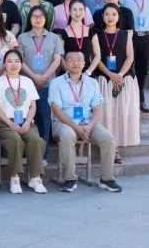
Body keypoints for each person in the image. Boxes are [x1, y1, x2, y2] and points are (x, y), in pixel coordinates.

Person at [48, 50, 122, 193]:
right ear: (65, 63)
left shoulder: (92, 83)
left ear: (84, 64)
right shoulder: (56, 83)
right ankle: (70, 179)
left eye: (78, 60)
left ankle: (107, 179)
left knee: (108, 138)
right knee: (67, 135)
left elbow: (97, 110)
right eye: (71, 59)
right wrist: (76, 128)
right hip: (65, 123)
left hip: (88, 123)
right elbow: (57, 111)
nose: (75, 63)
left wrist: (89, 126)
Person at [0, 50, 46, 194]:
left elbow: (33, 106)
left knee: (35, 139)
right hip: (3, 122)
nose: (13, 65)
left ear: (21, 64)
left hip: (26, 121)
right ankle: (15, 178)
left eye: (16, 61)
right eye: (9, 61)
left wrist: (27, 122)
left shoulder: (27, 81)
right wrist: (10, 123)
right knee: (15, 139)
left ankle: (35, 178)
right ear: (4, 64)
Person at [95, 3, 140, 164]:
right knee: (106, 114)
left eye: (114, 14)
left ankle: (117, 148)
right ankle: (108, 147)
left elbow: (130, 57)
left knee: (121, 113)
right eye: (107, 14)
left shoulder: (125, 34)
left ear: (119, 17)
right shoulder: (97, 35)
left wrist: (119, 75)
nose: (110, 17)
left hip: (124, 79)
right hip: (104, 79)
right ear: (102, 17)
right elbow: (96, 58)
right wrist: (110, 75)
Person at [17, 6, 63, 163]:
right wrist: (33, 76)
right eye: (34, 16)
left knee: (44, 121)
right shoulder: (22, 37)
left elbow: (57, 60)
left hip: (47, 85)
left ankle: (42, 156)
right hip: (26, 85)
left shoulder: (54, 38)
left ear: (46, 19)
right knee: (27, 121)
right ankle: (26, 154)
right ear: (29, 19)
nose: (38, 19)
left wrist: (44, 77)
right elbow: (19, 60)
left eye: (41, 16)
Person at [119, 0, 149, 113]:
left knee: (143, 70)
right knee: (127, 68)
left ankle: (141, 100)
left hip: (145, 37)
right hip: (129, 37)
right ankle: (126, 100)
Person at [58, 0, 101, 74]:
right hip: (67, 74)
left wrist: (88, 72)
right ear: (69, 12)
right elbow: (60, 56)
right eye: (74, 9)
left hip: (87, 74)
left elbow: (97, 55)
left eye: (80, 9)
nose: (77, 12)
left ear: (85, 12)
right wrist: (69, 73)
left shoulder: (92, 32)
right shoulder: (61, 33)